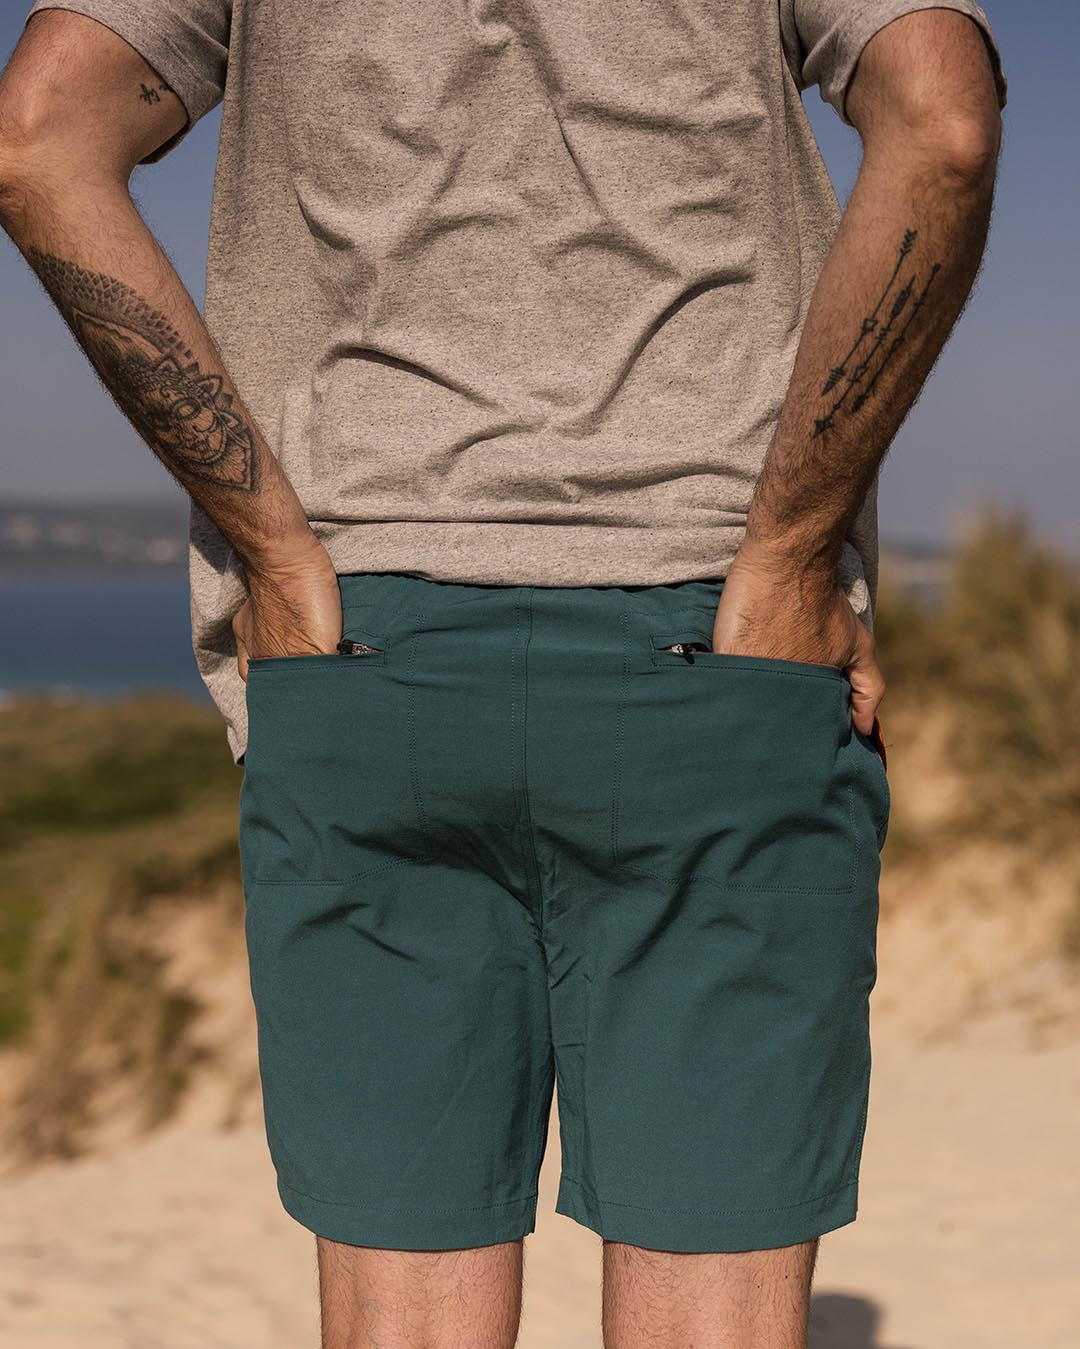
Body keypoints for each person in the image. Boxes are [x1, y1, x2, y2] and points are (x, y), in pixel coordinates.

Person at [0, 1, 1005, 1344]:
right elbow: (944, 120)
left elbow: (39, 136)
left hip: (362, 649)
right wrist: (790, 548)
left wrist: (272, 546)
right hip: (719, 647)